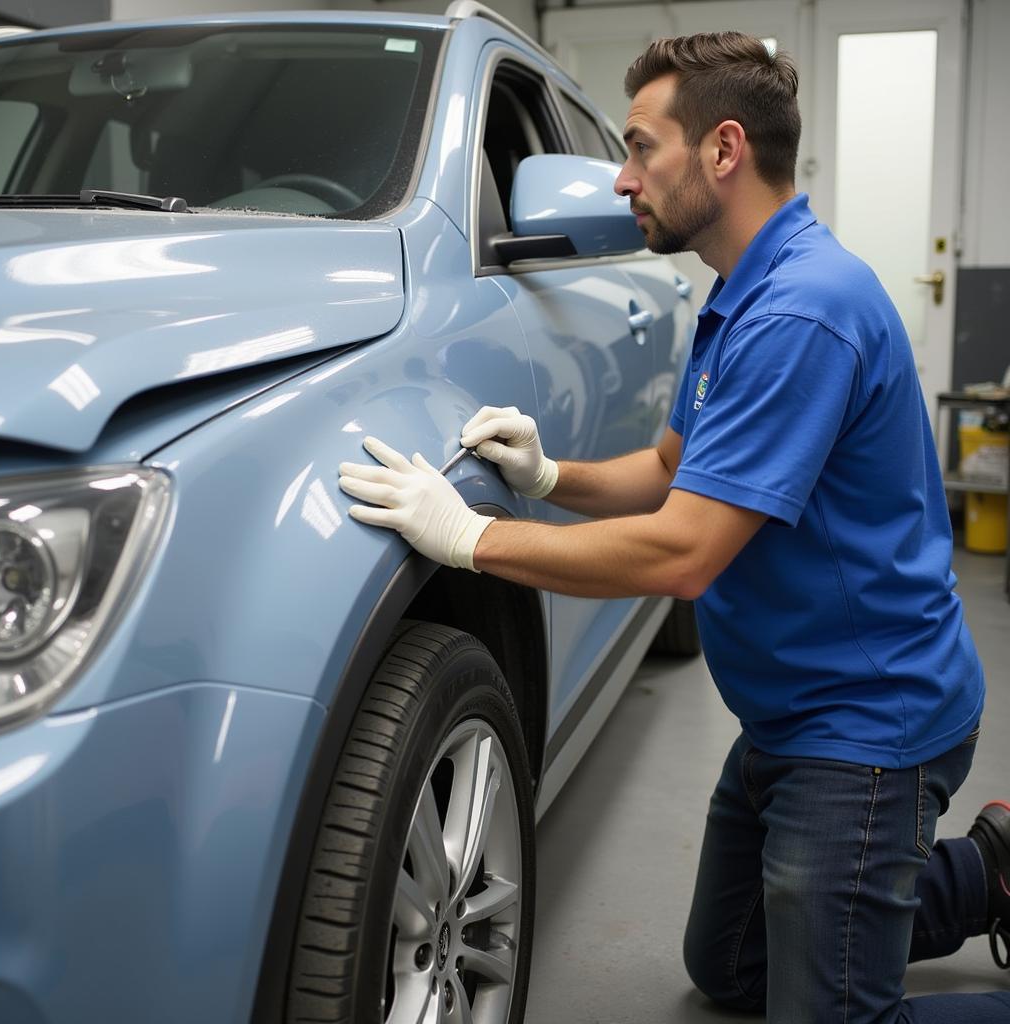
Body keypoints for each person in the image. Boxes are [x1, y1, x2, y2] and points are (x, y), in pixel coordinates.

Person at [338, 31, 1010, 1022]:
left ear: (723, 150)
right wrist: (548, 472)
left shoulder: (802, 312)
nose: (620, 177)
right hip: (788, 714)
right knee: (729, 966)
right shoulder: (738, 293)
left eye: (642, 146)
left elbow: (683, 552)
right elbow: (666, 473)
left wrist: (472, 539)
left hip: (866, 726)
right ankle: (990, 872)